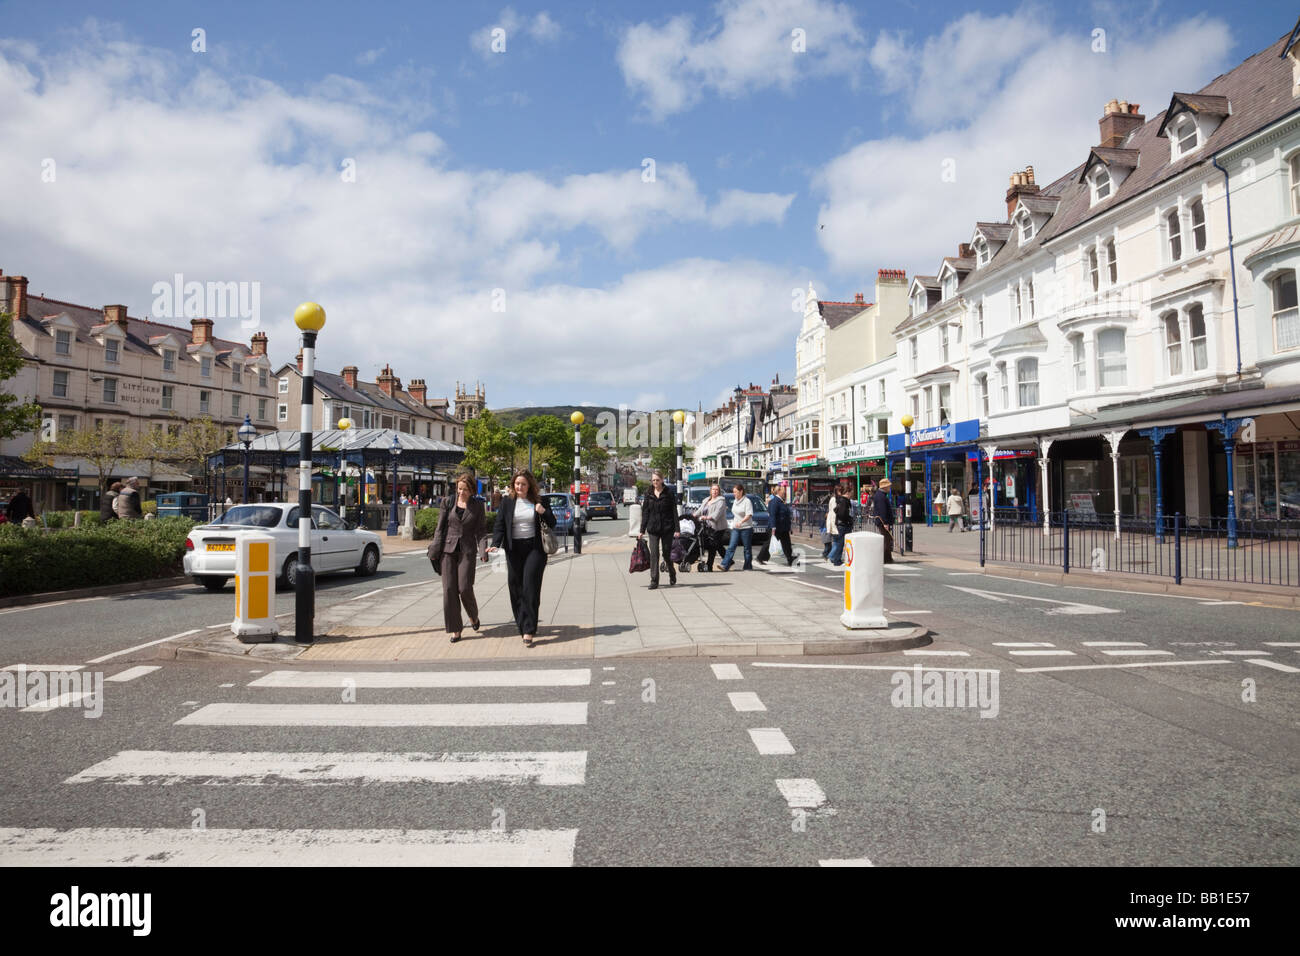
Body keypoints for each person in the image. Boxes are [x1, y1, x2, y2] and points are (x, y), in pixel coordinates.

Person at [487, 470, 556, 648]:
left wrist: (543, 511)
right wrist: (495, 543)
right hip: (513, 549)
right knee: (515, 587)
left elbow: (553, 522)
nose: (520, 487)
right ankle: (522, 622)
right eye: (517, 484)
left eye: (523, 484)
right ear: (513, 485)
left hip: (535, 549)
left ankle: (528, 629)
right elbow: (499, 525)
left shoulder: (540, 501)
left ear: (530, 485)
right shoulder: (507, 502)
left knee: (530, 587)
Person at [430, 472, 489, 643]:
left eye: (465, 489)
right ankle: (456, 629)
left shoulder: (477, 506)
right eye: (459, 488)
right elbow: (440, 529)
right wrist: (434, 550)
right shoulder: (447, 502)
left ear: (472, 490)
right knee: (449, 590)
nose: (461, 492)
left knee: (464, 588)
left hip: (467, 551)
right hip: (447, 551)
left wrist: (483, 550)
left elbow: (481, 532)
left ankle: (473, 617)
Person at [638, 470, 679, 589]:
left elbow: (674, 512)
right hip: (653, 528)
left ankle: (672, 572)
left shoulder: (669, 493)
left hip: (667, 528)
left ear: (662, 480)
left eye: (657, 480)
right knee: (654, 554)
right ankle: (654, 580)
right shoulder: (648, 493)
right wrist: (642, 530)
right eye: (653, 480)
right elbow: (645, 512)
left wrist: (677, 529)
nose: (655, 482)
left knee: (666, 554)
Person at [720, 483, 754, 571]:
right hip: (736, 528)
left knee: (747, 548)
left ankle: (748, 566)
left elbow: (749, 514)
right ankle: (725, 565)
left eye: (736, 492)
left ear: (741, 491)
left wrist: (741, 522)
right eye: (733, 492)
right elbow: (735, 512)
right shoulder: (735, 501)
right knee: (731, 546)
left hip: (746, 528)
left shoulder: (747, 501)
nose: (734, 494)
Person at [696, 482, 728, 571]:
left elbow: (716, 515)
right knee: (717, 545)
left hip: (718, 527)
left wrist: (705, 517)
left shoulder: (721, 501)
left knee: (713, 545)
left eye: (716, 490)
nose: (715, 491)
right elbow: (699, 510)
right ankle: (728, 560)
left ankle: (709, 566)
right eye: (713, 489)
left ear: (719, 491)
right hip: (707, 527)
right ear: (710, 491)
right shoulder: (706, 500)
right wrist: (693, 516)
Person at [763, 484, 794, 566]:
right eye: (783, 490)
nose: (784, 492)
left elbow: (786, 515)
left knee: (786, 543)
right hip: (777, 527)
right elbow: (772, 514)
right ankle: (761, 557)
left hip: (783, 527)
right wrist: (773, 527)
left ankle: (790, 558)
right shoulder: (775, 501)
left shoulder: (781, 501)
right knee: (770, 543)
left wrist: (789, 527)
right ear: (779, 491)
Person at [870, 478, 896, 563]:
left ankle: (888, 558)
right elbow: (882, 510)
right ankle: (885, 558)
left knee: (887, 540)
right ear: (885, 487)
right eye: (888, 486)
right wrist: (885, 522)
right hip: (882, 521)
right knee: (886, 540)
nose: (889, 488)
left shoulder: (880, 495)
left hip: (882, 521)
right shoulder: (881, 496)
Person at [828, 483, 853, 566]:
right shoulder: (843, 501)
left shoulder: (841, 500)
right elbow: (841, 514)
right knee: (839, 543)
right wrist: (848, 519)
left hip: (840, 524)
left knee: (838, 542)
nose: (851, 495)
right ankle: (835, 559)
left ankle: (834, 558)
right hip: (842, 524)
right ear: (848, 492)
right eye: (851, 493)